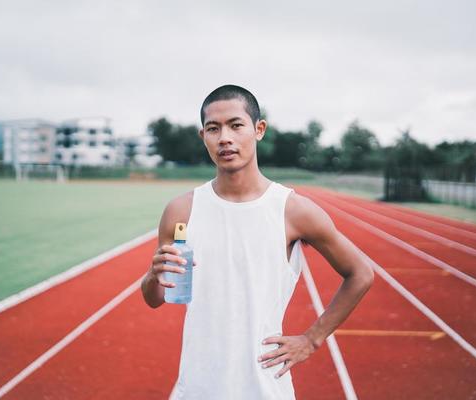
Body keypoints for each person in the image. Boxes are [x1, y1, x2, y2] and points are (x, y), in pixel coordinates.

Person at [141, 84, 374, 399]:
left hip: (265, 388)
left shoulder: (293, 210)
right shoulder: (181, 210)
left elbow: (361, 272)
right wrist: (153, 276)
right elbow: (155, 298)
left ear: (258, 129)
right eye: (214, 128)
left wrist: (312, 339)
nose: (225, 137)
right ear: (203, 137)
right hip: (197, 387)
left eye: (236, 125)